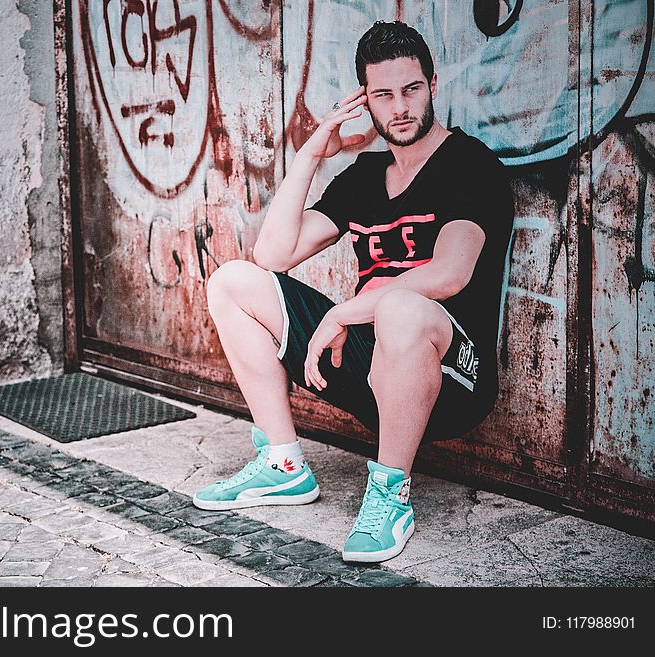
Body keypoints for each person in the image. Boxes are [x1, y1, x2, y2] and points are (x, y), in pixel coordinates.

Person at [191, 20, 514, 563]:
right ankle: (283, 466)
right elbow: (273, 253)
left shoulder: (470, 166)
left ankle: (390, 493)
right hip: (368, 369)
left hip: (451, 375)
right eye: (383, 95)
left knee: (405, 310)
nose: (400, 107)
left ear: (432, 83)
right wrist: (311, 154)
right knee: (232, 282)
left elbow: (450, 272)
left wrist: (347, 311)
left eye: (411, 89)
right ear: (366, 100)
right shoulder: (365, 176)